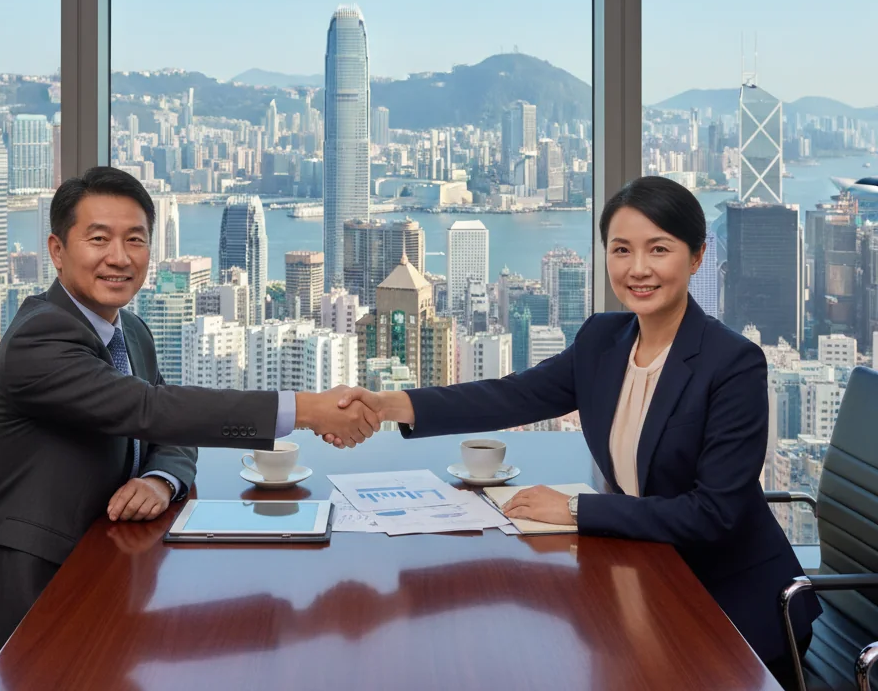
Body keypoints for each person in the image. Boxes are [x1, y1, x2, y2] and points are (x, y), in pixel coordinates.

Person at [338, 176, 821, 684]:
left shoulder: (733, 364)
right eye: (621, 250)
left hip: (732, 603)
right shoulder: (602, 341)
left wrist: (573, 509)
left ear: (696, 257)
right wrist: (389, 404)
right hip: (648, 575)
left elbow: (712, 515)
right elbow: (511, 395)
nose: (638, 269)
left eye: (659, 249)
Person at [0, 166, 378, 673]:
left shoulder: (128, 329)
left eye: (135, 240)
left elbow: (169, 426)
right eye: (99, 239)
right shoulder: (39, 340)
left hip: (104, 572)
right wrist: (305, 409)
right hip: (25, 604)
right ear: (57, 251)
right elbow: (154, 410)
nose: (120, 257)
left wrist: (160, 478)